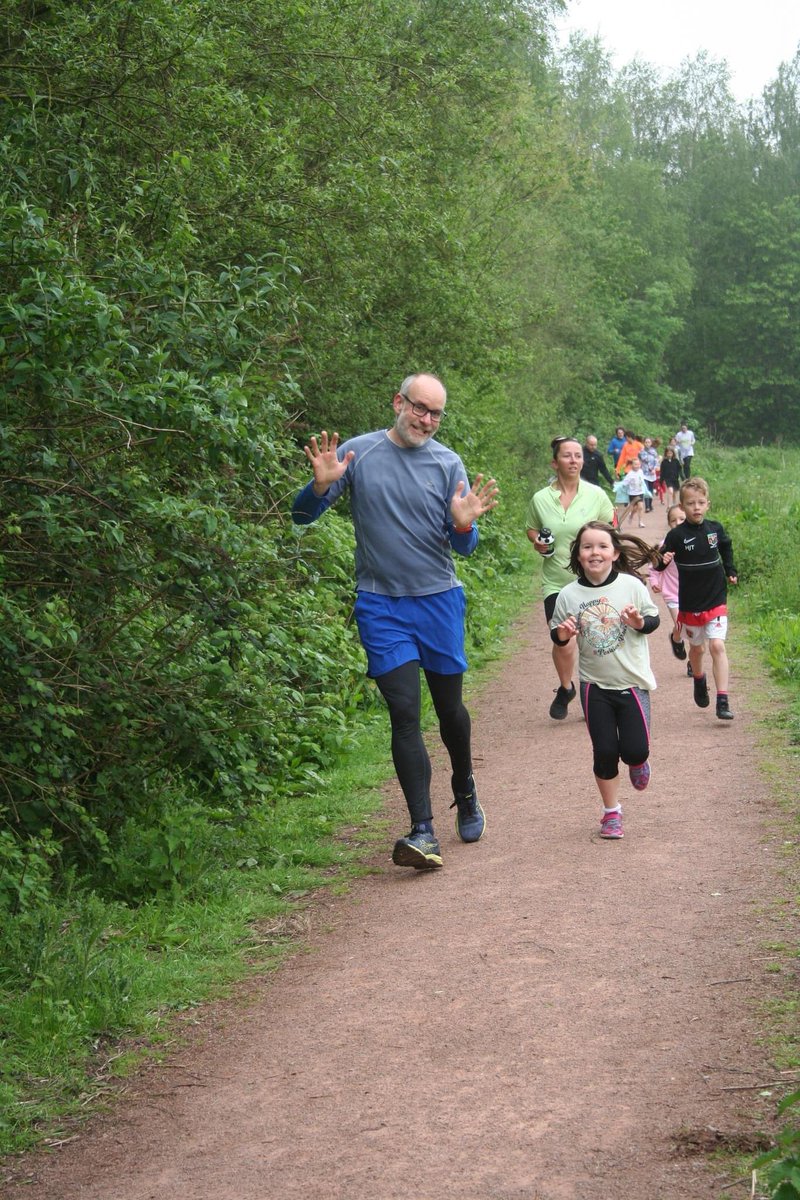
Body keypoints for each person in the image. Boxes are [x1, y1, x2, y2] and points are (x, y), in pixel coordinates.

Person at [291, 373, 499, 870]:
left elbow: (465, 547)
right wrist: (319, 486)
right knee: (404, 712)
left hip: (438, 601)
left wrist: (464, 524)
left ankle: (465, 787)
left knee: (449, 710)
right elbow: (302, 516)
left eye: (435, 413)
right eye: (419, 408)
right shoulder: (358, 454)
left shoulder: (448, 463)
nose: (426, 419)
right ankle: (423, 830)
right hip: (381, 605)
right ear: (397, 403)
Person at [550, 522, 662, 840]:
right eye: (587, 547)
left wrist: (639, 622)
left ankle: (638, 762)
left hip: (632, 683)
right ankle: (611, 812)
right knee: (604, 752)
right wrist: (563, 635)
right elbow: (557, 634)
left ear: (614, 553)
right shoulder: (568, 595)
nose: (595, 552)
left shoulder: (631, 586)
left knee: (635, 751)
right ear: (578, 555)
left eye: (602, 546)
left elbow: (652, 619)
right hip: (594, 685)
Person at [526, 437, 615, 720]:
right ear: (555, 463)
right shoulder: (540, 499)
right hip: (556, 583)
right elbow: (532, 528)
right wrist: (538, 543)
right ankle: (566, 688)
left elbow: (611, 531)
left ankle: (596, 697)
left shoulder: (596, 495)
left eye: (578, 455)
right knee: (562, 640)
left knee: (596, 640)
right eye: (567, 455)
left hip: (593, 581)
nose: (574, 460)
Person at [661, 477, 738, 720]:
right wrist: (661, 561)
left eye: (701, 503)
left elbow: (726, 547)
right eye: (691, 503)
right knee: (697, 648)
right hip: (690, 602)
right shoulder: (676, 535)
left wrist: (731, 570)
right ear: (682, 506)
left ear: (708, 504)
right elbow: (660, 561)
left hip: (716, 596)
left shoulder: (715, 529)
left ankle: (722, 700)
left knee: (717, 645)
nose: (696, 507)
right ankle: (698, 678)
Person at [649, 504, 690, 670]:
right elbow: (654, 567)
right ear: (669, 524)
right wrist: (654, 582)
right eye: (673, 520)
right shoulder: (665, 545)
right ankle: (676, 638)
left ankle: (693, 663)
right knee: (682, 624)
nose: (678, 523)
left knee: (694, 629)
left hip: (692, 593)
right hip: (672, 594)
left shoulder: (695, 541)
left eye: (682, 519)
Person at [619, 456, 646, 526]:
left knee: (640, 507)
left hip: (640, 492)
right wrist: (621, 486)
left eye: (638, 464)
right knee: (635, 508)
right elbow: (624, 483)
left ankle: (640, 522)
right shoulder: (630, 474)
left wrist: (645, 489)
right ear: (632, 465)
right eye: (635, 464)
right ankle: (631, 515)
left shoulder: (641, 471)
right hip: (632, 494)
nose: (637, 466)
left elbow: (642, 480)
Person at [639, 438, 659, 512]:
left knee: (650, 490)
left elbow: (656, 461)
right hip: (644, 473)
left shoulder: (654, 451)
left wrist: (654, 469)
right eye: (646, 442)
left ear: (651, 443)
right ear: (644, 443)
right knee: (646, 489)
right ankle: (647, 507)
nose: (647, 443)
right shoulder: (641, 451)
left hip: (652, 473)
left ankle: (650, 505)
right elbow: (644, 459)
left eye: (649, 442)